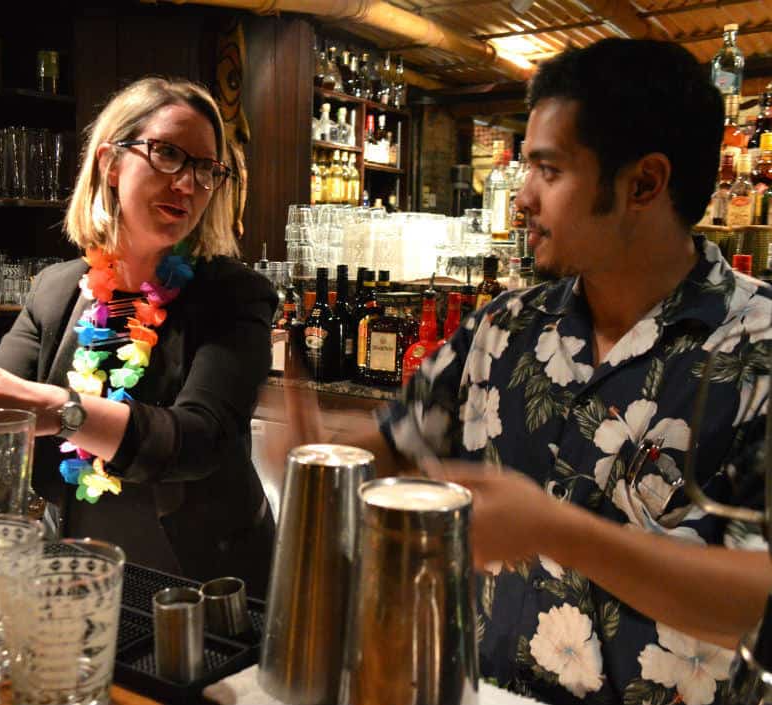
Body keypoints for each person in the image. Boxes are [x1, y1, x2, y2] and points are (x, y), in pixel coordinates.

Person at [275, 39, 772, 704]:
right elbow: (402, 445)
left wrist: (556, 528)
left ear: (644, 184)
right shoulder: (506, 324)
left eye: (549, 170)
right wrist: (324, 448)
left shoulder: (756, 345)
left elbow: (758, 599)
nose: (522, 199)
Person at [0, 77, 277, 596]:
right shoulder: (55, 291)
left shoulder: (236, 295)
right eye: (167, 153)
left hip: (207, 584)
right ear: (110, 163)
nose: (187, 184)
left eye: (206, 168)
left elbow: (200, 440)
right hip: (80, 569)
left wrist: (63, 412)